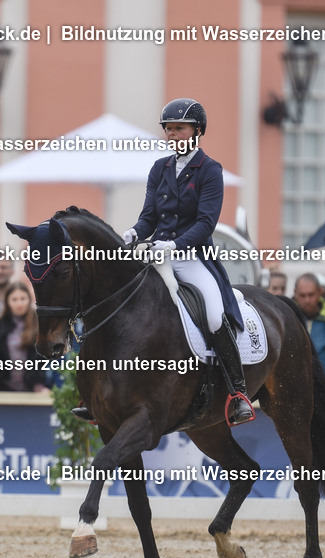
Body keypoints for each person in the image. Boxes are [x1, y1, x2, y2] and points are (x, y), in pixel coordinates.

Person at [121, 97, 253, 423]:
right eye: (168, 129)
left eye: (178, 128)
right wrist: (133, 234)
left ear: (197, 131)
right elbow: (148, 218)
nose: (171, 134)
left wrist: (174, 245)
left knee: (212, 314)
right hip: (156, 257)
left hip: (193, 258)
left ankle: (238, 393)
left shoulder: (210, 170)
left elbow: (206, 223)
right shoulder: (159, 169)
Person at [0, 282, 49, 394]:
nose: (19, 303)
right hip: (4, 388)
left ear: (29, 300)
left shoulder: (38, 325)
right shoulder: (0, 324)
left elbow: (40, 361)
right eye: (14, 299)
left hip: (32, 390)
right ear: (7, 302)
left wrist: (39, 385)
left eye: (23, 299)